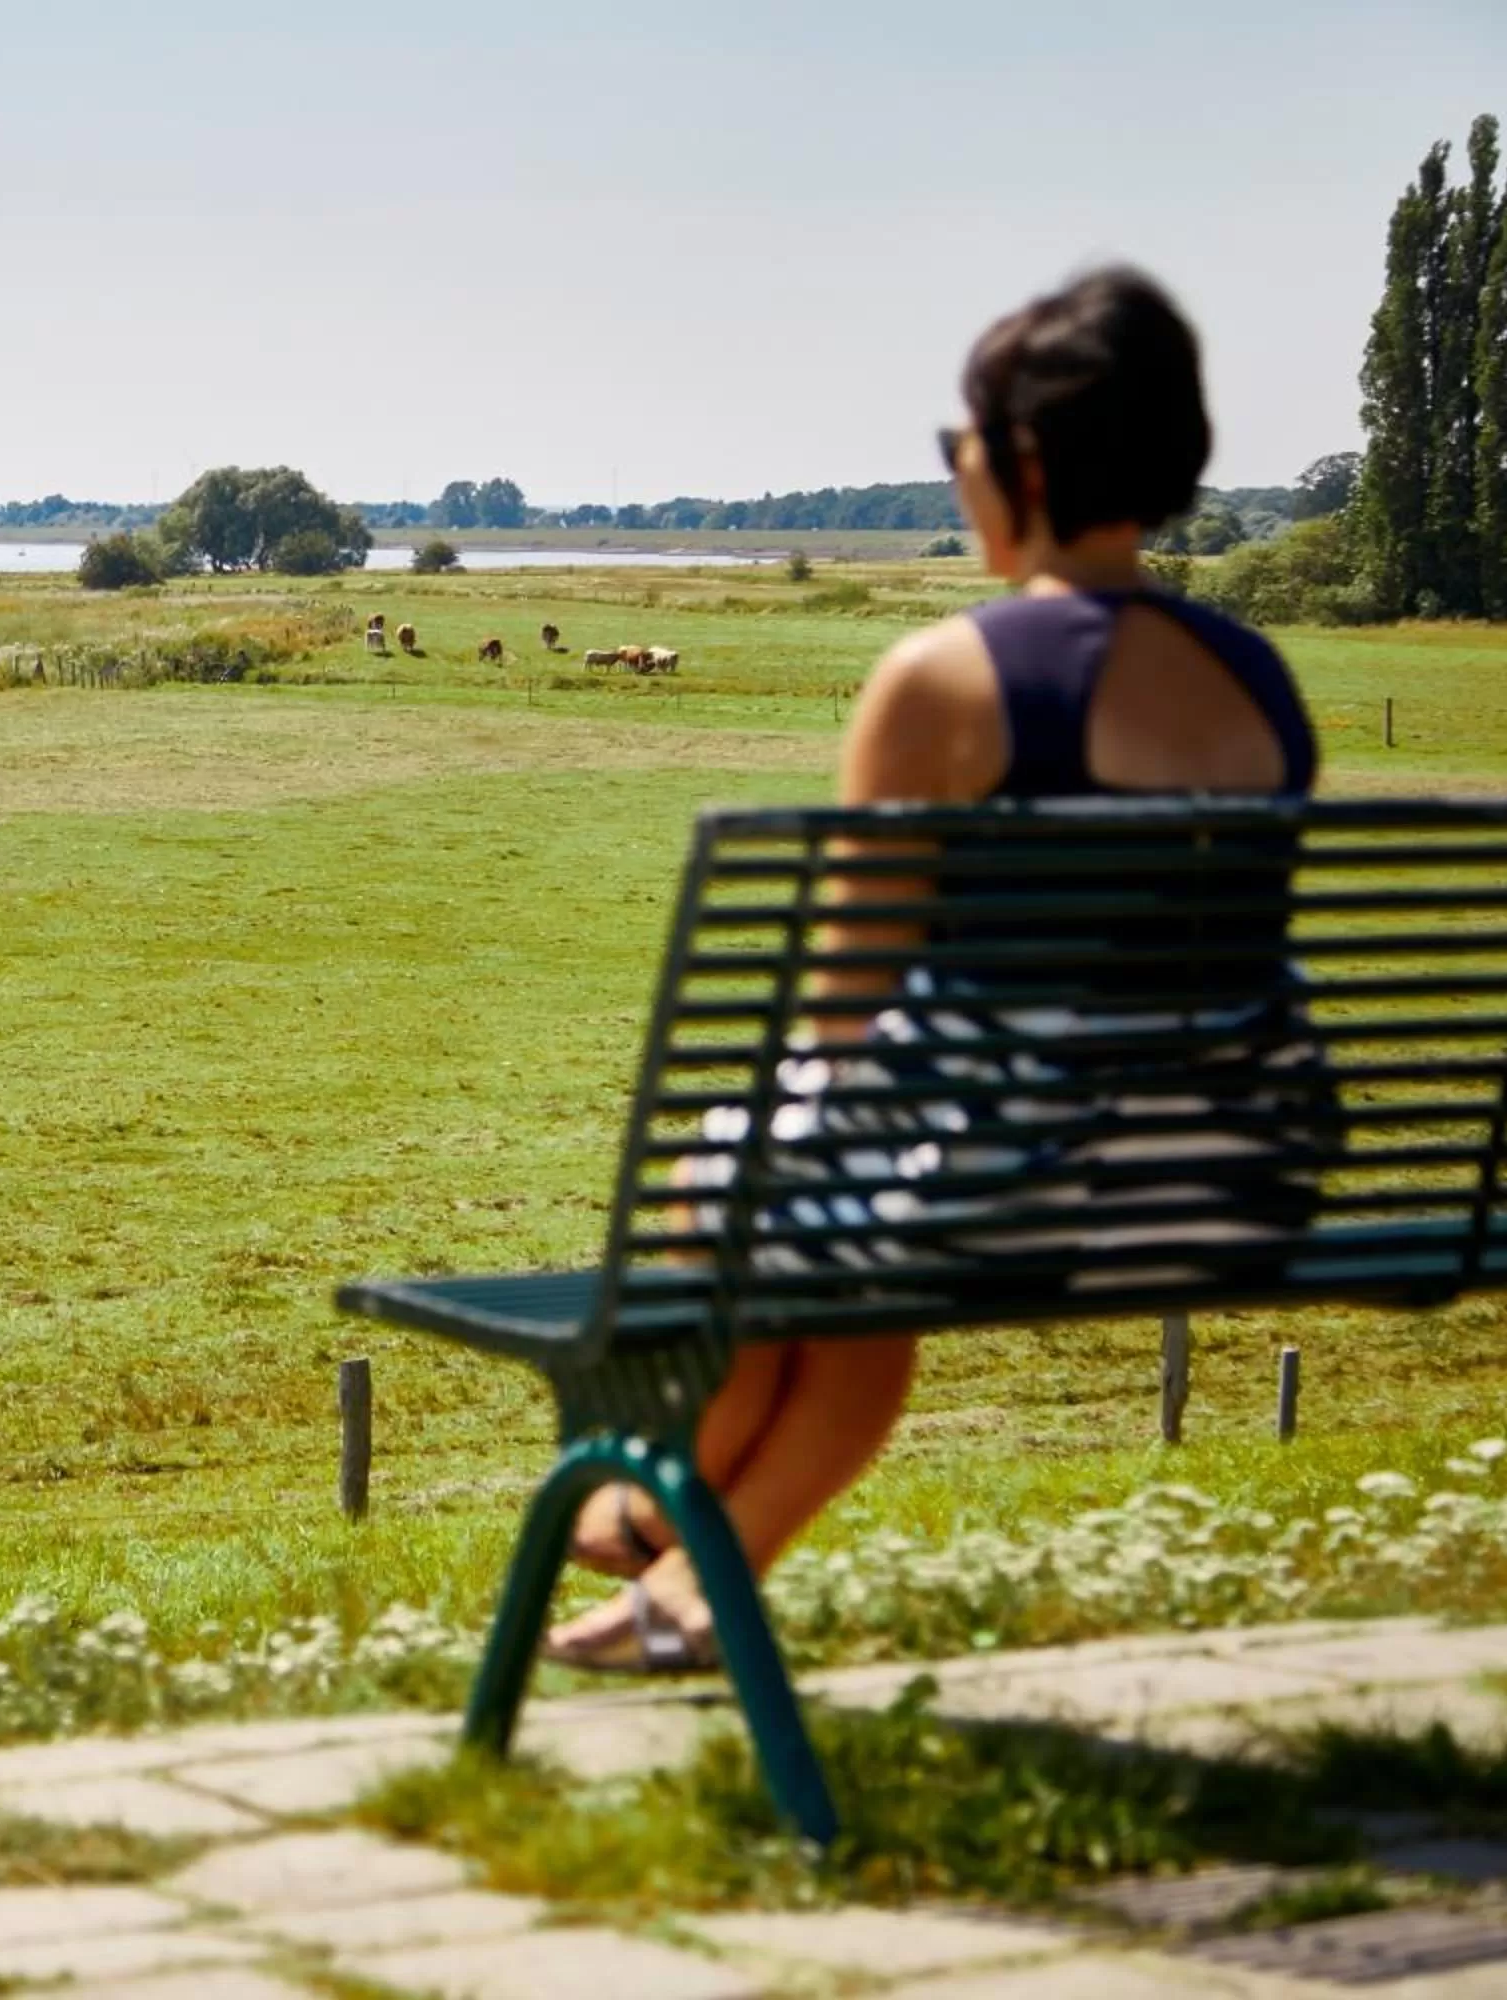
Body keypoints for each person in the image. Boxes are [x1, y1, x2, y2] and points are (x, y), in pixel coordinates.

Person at [545, 266, 1323, 1672]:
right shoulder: (1256, 675)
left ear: (1024, 458)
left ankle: (650, 1500)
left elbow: (844, 1012)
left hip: (1024, 1192)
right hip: (1236, 1181)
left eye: (961, 440)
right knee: (854, 1232)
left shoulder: (950, 678)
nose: (958, 468)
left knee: (738, 1165)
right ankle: (691, 1594)